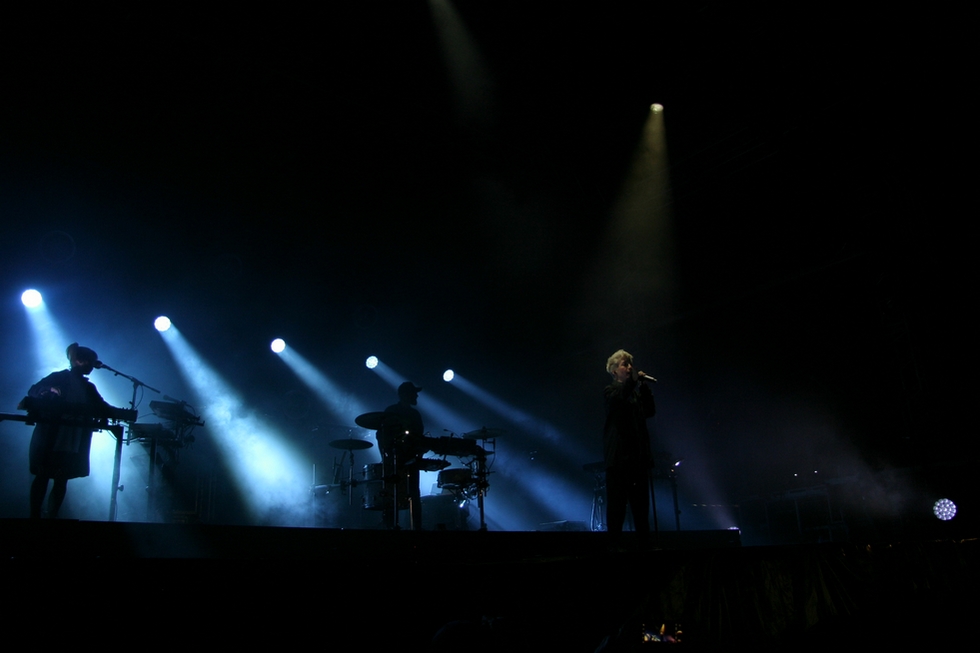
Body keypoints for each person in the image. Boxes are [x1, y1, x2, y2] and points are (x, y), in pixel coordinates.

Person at [20, 342, 118, 518]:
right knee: (43, 475)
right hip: (52, 434)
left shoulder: (88, 387)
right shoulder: (59, 377)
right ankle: (34, 515)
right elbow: (34, 390)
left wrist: (115, 411)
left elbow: (101, 405)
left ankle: (52, 515)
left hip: (72, 437)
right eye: (89, 362)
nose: (91, 367)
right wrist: (50, 389)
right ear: (78, 361)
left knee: (61, 477)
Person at [603, 349, 656, 545]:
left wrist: (643, 388)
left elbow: (649, 412)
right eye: (625, 364)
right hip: (618, 460)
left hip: (637, 459)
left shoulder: (633, 395)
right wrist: (633, 382)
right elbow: (618, 401)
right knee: (617, 508)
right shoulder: (611, 391)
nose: (630, 367)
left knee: (641, 508)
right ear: (614, 370)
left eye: (630, 364)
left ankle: (645, 546)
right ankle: (614, 548)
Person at [379, 381, 426, 530]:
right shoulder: (392, 411)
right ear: (404, 394)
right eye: (414, 393)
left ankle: (416, 529)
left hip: (410, 461)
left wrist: (419, 453)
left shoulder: (414, 414)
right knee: (392, 496)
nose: (416, 395)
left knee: (413, 495)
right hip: (394, 461)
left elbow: (420, 438)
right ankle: (392, 528)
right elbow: (381, 435)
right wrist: (385, 458)